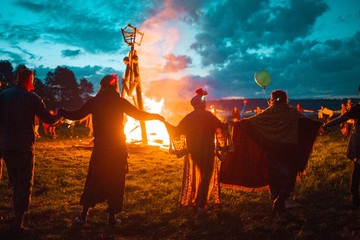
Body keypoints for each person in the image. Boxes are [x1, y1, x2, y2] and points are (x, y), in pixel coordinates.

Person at [56, 73, 164, 226]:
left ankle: (83, 215)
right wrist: (155, 116)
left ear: (102, 85)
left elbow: (77, 114)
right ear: (114, 85)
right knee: (115, 180)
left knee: (94, 179)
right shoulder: (119, 101)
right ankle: (111, 218)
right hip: (117, 147)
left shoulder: (95, 101)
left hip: (101, 147)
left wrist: (62, 111)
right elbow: (138, 114)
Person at [219, 90, 321, 214]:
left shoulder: (270, 112)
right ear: (285, 99)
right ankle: (280, 200)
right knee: (288, 177)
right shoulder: (292, 112)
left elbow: (251, 122)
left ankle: (277, 200)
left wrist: (235, 124)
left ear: (272, 99)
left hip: (273, 150)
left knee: (274, 177)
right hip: (289, 150)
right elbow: (307, 123)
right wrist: (320, 126)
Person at [0, 69, 60, 236]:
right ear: (28, 79)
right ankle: (18, 226)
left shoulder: (3, 95)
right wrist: (59, 114)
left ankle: (12, 217)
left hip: (5, 146)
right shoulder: (32, 98)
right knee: (24, 185)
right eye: (32, 79)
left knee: (13, 183)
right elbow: (49, 119)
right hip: (23, 147)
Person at [164, 88, 227, 219]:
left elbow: (176, 131)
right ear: (202, 104)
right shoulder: (209, 116)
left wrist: (165, 124)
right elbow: (221, 127)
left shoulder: (189, 117)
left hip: (194, 152)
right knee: (205, 179)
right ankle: (201, 207)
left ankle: (197, 202)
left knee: (197, 178)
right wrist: (231, 125)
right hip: (207, 152)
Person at [324, 87, 360, 209]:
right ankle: (355, 196)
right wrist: (326, 125)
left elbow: (342, 118)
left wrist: (326, 125)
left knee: (357, 168)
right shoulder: (357, 108)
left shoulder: (357, 108)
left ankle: (355, 196)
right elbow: (342, 118)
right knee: (357, 168)